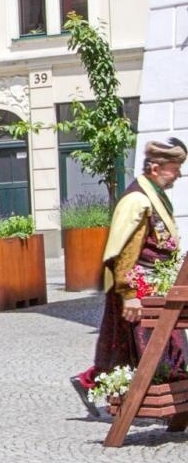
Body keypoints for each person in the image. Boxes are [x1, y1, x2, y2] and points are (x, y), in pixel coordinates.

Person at [73, 139, 188, 413]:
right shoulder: (137, 200)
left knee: (135, 351)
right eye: (175, 169)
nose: (179, 175)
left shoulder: (153, 196)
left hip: (153, 289)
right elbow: (123, 250)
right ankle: (147, 399)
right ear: (155, 168)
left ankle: (93, 382)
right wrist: (129, 295)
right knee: (145, 350)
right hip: (137, 291)